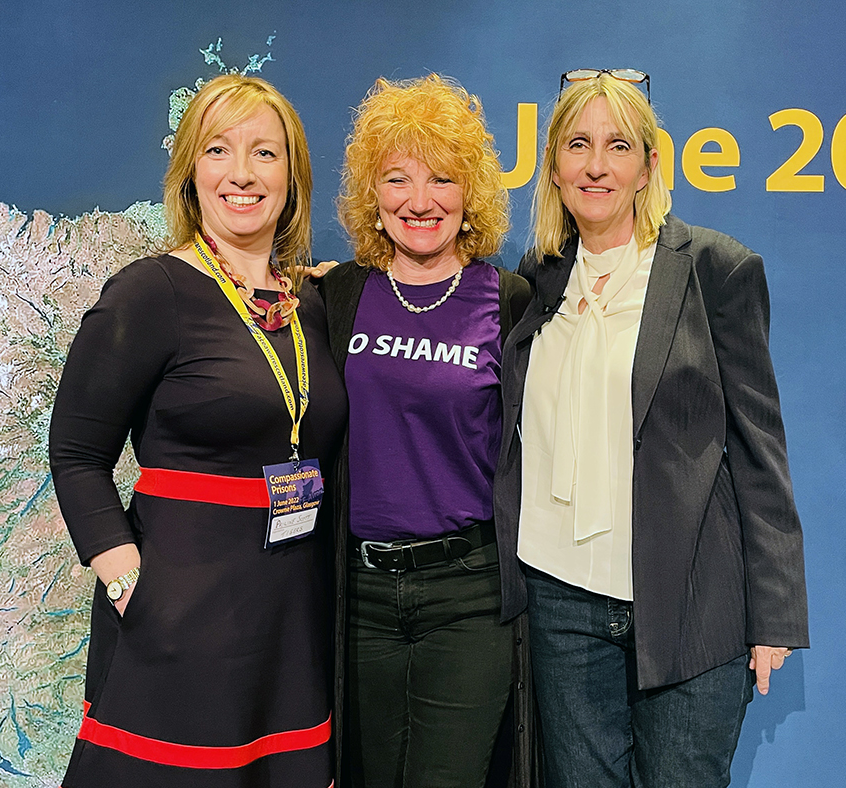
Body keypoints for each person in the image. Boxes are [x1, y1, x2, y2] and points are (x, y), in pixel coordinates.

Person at [493, 69, 809, 788]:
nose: (596, 165)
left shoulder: (715, 269)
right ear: (554, 166)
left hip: (692, 602)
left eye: (618, 146)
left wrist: (776, 614)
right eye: (578, 145)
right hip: (562, 604)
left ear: (648, 165)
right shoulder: (538, 278)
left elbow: (759, 449)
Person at [49, 74, 346, 788]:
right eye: (218, 150)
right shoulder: (150, 291)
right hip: (178, 620)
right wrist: (127, 580)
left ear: (293, 176)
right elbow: (77, 451)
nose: (241, 173)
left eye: (264, 153)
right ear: (190, 172)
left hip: (290, 624)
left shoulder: (314, 303)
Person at [318, 75, 534, 788]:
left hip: (466, 597)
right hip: (359, 597)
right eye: (398, 179)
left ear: (471, 194)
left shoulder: (507, 301)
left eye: (442, 179)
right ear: (371, 197)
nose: (420, 201)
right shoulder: (338, 295)